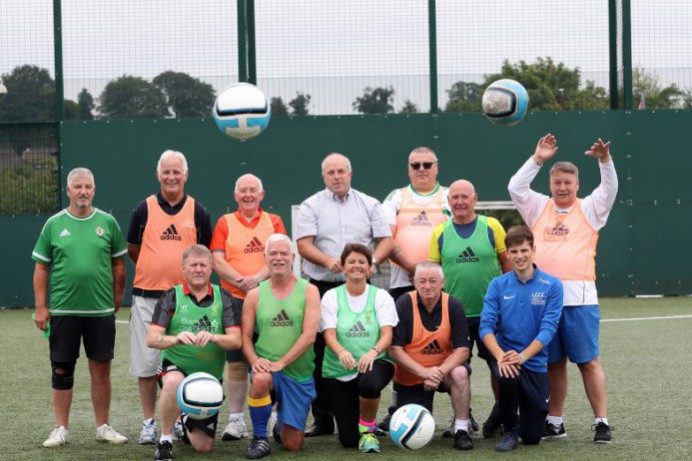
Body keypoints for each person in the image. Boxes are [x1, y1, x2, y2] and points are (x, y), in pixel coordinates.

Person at [508, 134, 618, 443]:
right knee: (553, 362)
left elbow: (610, 190)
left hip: (580, 301)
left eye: (568, 182)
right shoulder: (538, 207)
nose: (563, 187)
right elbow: (515, 187)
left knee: (588, 361)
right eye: (557, 182)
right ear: (551, 184)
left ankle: (601, 422)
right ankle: (555, 421)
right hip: (543, 301)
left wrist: (604, 161)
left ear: (577, 185)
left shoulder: (592, 209)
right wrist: (537, 159)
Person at [296, 152, 393, 437]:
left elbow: (386, 239)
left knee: (366, 341)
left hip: (361, 285)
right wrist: (328, 261)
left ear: (350, 174)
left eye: (341, 171)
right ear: (323, 176)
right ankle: (323, 418)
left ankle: (365, 407)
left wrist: (371, 263)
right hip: (323, 284)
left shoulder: (369, 203)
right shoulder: (310, 205)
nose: (337, 177)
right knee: (319, 351)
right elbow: (303, 243)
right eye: (331, 173)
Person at [32, 167, 128, 448]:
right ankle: (61, 428)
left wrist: (117, 298)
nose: (83, 191)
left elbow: (119, 264)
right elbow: (41, 267)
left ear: (94, 191)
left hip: (100, 312)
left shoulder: (108, 223)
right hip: (63, 312)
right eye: (78, 187)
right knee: (61, 370)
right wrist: (41, 306)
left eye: (88, 186)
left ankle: (103, 426)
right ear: (69, 191)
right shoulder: (53, 224)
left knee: (101, 370)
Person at [127, 150, 212, 444]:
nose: (171, 177)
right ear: (158, 174)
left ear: (186, 175)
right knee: (147, 365)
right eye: (166, 172)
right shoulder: (143, 209)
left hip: (183, 302)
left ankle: (175, 421)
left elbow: (204, 255)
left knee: (179, 364)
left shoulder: (198, 211)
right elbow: (134, 250)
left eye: (177, 172)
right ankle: (149, 422)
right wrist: (156, 268)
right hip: (147, 298)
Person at [429, 179, 511, 437]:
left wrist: (506, 303)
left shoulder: (492, 226)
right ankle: (462, 417)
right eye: (455, 197)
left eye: (465, 197)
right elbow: (434, 275)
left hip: (491, 315)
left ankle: (503, 416)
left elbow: (507, 265)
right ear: (449, 201)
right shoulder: (439, 233)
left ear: (475, 199)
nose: (460, 202)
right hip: (455, 317)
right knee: (457, 370)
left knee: (498, 367)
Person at [147, 244, 242, 461]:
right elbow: (152, 339)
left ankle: (184, 417)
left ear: (211, 269)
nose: (198, 269)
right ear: (184, 269)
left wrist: (214, 337)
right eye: (193, 265)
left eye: (203, 265)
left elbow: (236, 340)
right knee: (173, 382)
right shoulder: (171, 296)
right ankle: (165, 441)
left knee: (203, 446)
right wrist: (176, 338)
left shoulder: (223, 297)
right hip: (174, 366)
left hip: (207, 380)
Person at [210, 173, 287, 441]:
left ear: (261, 195)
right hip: (233, 300)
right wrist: (241, 282)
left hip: (269, 298)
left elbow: (281, 256)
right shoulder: (225, 222)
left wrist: (257, 279)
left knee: (270, 357)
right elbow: (217, 259)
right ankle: (236, 420)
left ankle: (276, 412)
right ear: (235, 196)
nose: (248, 194)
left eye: (253, 190)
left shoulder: (273, 221)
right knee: (236, 361)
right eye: (242, 190)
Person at [480, 225, 563, 452]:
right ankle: (510, 431)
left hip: (533, 360)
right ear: (507, 254)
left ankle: (501, 411)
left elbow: (548, 329)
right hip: (507, 357)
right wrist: (500, 356)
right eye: (514, 252)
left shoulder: (552, 285)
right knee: (506, 373)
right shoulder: (498, 285)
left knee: (533, 437)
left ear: (533, 249)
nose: (519, 256)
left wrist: (523, 356)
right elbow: (485, 326)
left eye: (524, 250)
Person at [242, 234, 321, 459]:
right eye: (273, 253)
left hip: (298, 373)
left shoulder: (309, 291)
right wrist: (256, 361)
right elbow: (245, 339)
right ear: (265, 258)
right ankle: (259, 438)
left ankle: (280, 426)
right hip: (268, 368)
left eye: (283, 253)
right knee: (260, 378)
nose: (278, 258)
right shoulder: (254, 295)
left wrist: (282, 363)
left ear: (292, 257)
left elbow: (309, 336)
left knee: (293, 444)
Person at [321, 244, 398, 453]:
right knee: (348, 440)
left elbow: (387, 335)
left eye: (362, 262)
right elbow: (328, 334)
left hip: (376, 362)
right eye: (351, 262)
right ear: (343, 267)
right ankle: (361, 427)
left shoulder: (381, 296)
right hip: (339, 369)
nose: (357, 266)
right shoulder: (331, 296)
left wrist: (373, 352)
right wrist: (342, 352)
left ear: (369, 267)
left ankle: (368, 432)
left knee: (370, 383)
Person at [388, 262, 473, 451]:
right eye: (422, 281)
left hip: (445, 374)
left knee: (460, 373)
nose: (427, 286)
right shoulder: (403, 303)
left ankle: (461, 430)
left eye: (433, 281)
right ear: (415, 282)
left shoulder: (453, 304)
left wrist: (438, 373)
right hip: (412, 377)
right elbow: (394, 349)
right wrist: (424, 372)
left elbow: (463, 350)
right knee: (413, 432)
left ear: (442, 282)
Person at [383, 146, 450, 300]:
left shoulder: (450, 196)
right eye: (415, 165)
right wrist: (412, 267)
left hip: (441, 282)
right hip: (402, 283)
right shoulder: (396, 197)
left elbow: (458, 238)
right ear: (409, 169)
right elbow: (385, 240)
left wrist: (429, 273)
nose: (421, 169)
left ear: (436, 168)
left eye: (427, 165)